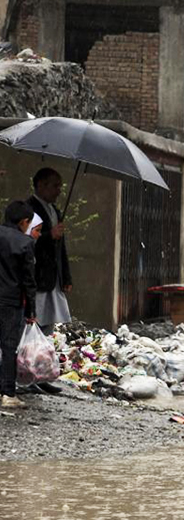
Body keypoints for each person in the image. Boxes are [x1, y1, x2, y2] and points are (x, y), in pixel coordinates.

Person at [27, 168, 70, 395]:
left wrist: (66, 277)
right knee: (31, 328)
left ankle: (40, 375)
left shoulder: (55, 211)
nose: (59, 190)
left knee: (47, 328)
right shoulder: (29, 210)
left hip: (53, 279)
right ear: (41, 185)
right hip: (37, 277)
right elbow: (25, 242)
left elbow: (61, 248)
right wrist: (48, 235)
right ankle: (25, 375)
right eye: (55, 185)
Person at [0, 201, 39, 408]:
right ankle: (7, 393)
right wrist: (31, 310)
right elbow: (28, 280)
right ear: (24, 222)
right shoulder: (25, 243)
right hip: (10, 301)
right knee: (8, 346)